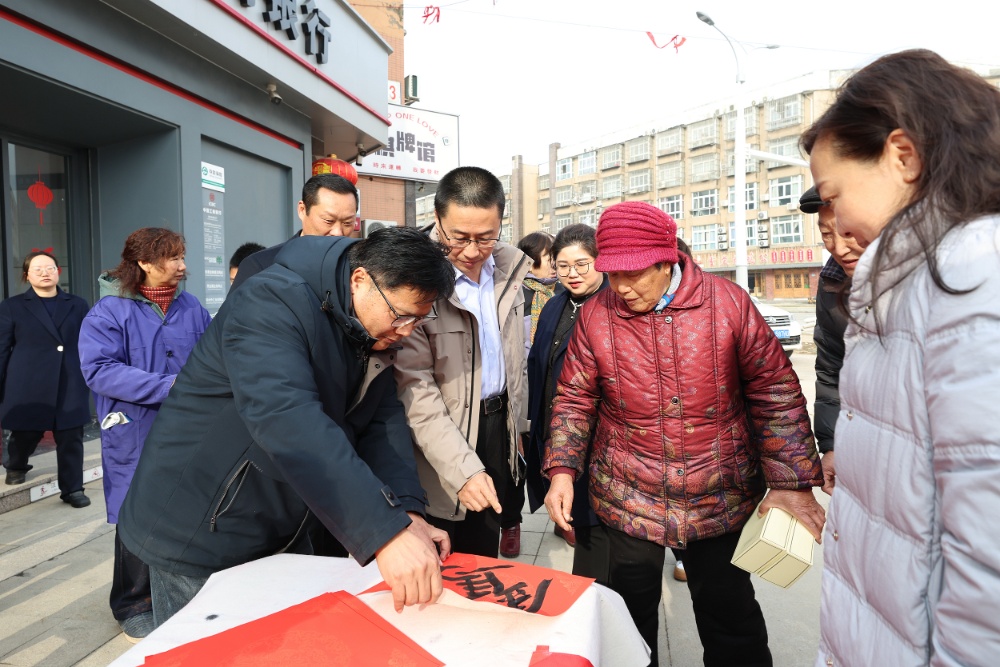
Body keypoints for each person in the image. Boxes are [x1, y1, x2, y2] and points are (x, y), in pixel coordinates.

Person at [117, 228, 455, 628]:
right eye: (401, 315)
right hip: (201, 521)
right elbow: (288, 419)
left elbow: (381, 419)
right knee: (204, 649)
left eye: (420, 319)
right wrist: (384, 533)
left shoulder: (368, 322)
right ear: (360, 279)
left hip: (280, 518)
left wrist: (406, 512)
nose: (407, 331)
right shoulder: (270, 301)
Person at [543, 202, 824, 667]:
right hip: (628, 491)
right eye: (613, 274)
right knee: (626, 621)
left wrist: (792, 482)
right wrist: (561, 471)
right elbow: (574, 398)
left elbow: (774, 392)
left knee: (730, 616)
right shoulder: (596, 315)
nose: (622, 287)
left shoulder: (727, 303)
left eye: (634, 274)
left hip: (718, 492)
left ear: (666, 260)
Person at [801, 49, 1000, 666]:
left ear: (903, 156)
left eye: (834, 195)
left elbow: (989, 555)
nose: (836, 221)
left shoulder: (973, 278)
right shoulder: (910, 280)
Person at [78, 228, 212, 642]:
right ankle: (132, 603)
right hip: (134, 429)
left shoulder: (191, 306)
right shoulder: (109, 311)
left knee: (184, 511)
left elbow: (212, 357)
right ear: (144, 263)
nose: (183, 266)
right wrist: (167, 385)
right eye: (173, 258)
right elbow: (99, 370)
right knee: (135, 513)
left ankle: (180, 594)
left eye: (183, 256)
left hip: (188, 428)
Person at [394, 166, 530, 558]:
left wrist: (519, 426)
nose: (472, 251)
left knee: (482, 557)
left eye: (485, 238)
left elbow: (516, 361)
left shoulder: (510, 269)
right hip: (440, 435)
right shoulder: (413, 279)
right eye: (459, 238)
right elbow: (415, 389)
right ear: (437, 220)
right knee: (440, 553)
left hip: (498, 427)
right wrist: (463, 468)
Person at [524, 223, 608, 577]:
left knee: (598, 529)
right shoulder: (554, 305)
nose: (572, 274)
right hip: (555, 429)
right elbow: (537, 365)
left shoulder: (613, 306)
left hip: (599, 438)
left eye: (582, 264)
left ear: (600, 261)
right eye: (563, 265)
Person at [0, 251, 91, 508]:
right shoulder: (12, 306)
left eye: (50, 268)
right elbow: (2, 347)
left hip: (69, 379)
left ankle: (73, 489)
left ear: (58, 272)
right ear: (26, 275)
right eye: (37, 269)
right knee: (25, 433)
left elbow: (88, 341)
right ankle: (16, 465)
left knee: (71, 435)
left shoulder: (77, 304)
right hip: (28, 381)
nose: (45, 273)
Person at [798, 186, 863, 496]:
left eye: (849, 233)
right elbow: (832, 368)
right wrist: (833, 444)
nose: (839, 247)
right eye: (826, 234)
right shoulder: (832, 281)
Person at [499, 231, 558, 558]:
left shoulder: (563, 294)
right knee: (517, 460)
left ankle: (563, 516)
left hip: (555, 390)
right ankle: (511, 522)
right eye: (550, 258)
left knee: (558, 455)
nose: (555, 265)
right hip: (521, 390)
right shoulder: (513, 293)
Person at [230, 173, 357, 289]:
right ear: (302, 210)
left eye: (347, 223)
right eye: (328, 220)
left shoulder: (358, 267)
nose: (338, 233)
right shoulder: (260, 266)